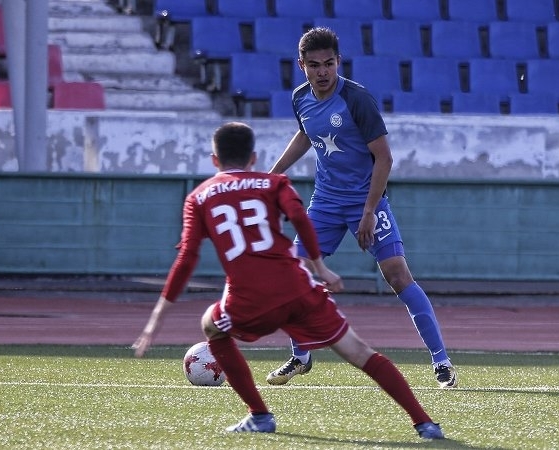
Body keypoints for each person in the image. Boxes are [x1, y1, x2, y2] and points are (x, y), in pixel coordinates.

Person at [132, 122, 445, 439]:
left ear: (215, 160)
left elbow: (186, 259)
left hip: (248, 298)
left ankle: (259, 415)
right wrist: (321, 268)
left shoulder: (198, 197)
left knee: (212, 326)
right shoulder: (274, 183)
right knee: (359, 352)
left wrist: (156, 318)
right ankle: (425, 424)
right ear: (253, 158)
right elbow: (300, 220)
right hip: (298, 288)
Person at [266, 27, 458, 389]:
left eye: (329, 63)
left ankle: (441, 361)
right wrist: (273, 176)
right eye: (314, 65)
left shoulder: (357, 99)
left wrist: (369, 211)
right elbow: (306, 134)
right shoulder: (300, 98)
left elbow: (384, 158)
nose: (323, 71)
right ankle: (301, 356)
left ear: (339, 61)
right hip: (325, 202)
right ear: (302, 66)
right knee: (293, 273)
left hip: (365, 201)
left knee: (397, 276)